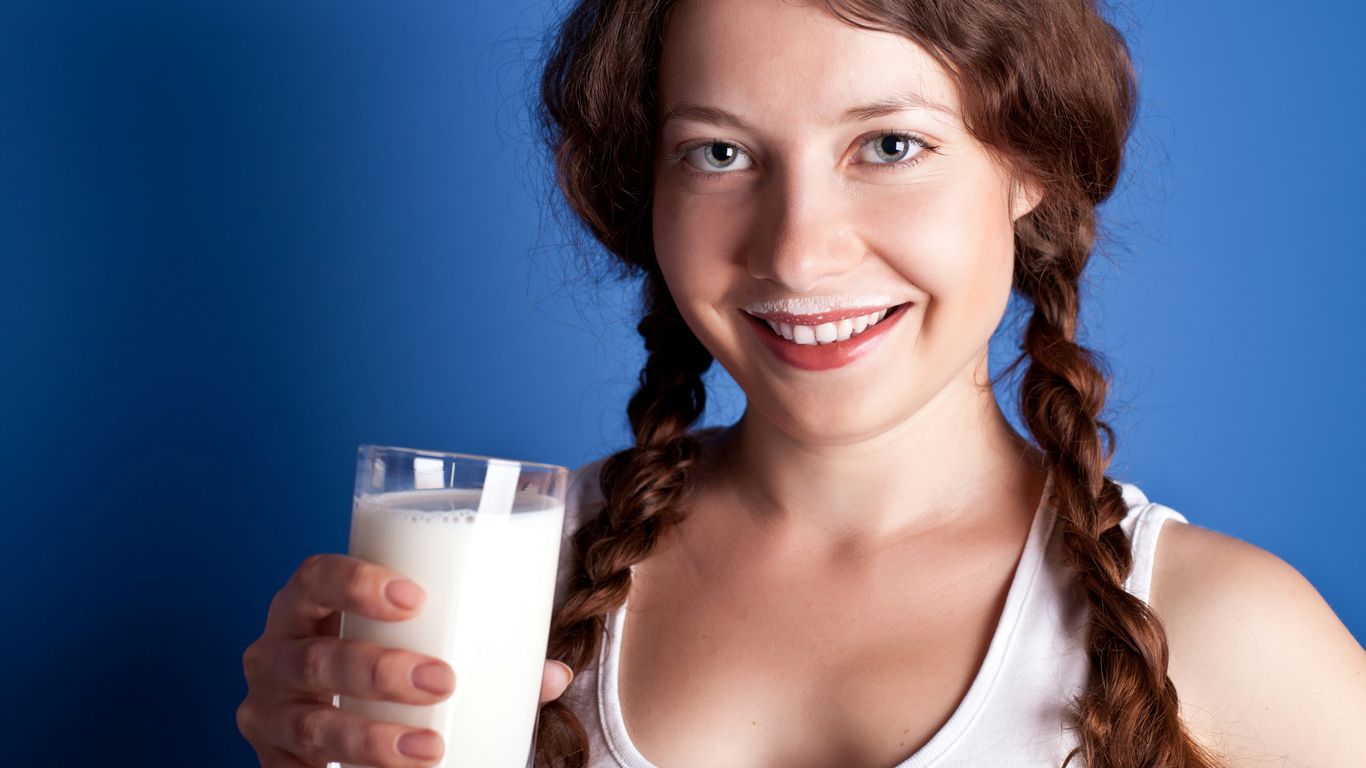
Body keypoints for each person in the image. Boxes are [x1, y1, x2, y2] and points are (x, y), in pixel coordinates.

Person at [236, 0, 1366, 766]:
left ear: (1027, 162)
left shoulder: (1225, 633)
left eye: (888, 145)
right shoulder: (509, 583)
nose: (797, 253)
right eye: (719, 153)